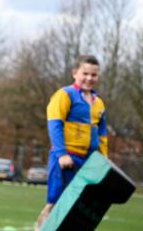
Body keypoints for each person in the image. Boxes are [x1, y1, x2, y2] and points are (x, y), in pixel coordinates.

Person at [35, 55, 107, 230]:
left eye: (94, 75)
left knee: (79, 206)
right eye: (85, 73)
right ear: (75, 73)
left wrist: (103, 160)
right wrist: (61, 154)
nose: (89, 78)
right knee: (56, 201)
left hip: (88, 161)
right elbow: (54, 124)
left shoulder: (99, 103)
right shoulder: (64, 95)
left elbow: (102, 135)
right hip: (66, 158)